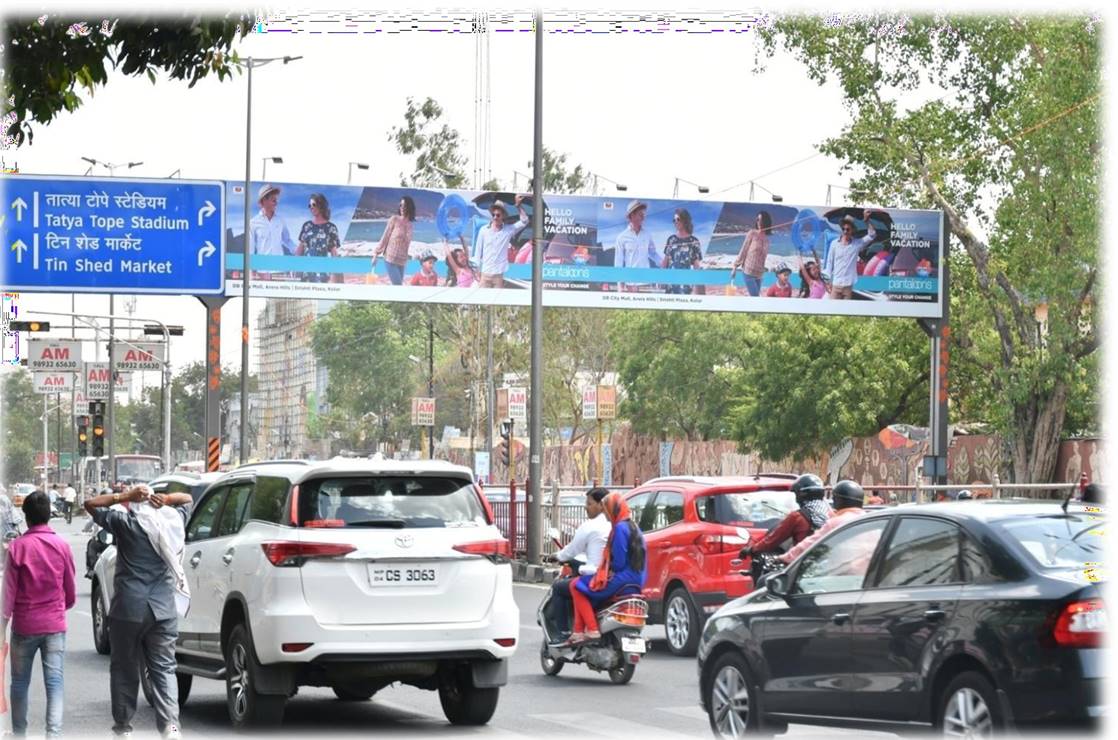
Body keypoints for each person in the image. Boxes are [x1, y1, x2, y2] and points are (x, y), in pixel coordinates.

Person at [84, 484, 193, 739]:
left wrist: (124, 496)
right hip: (163, 611)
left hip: (128, 609)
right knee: (164, 669)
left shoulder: (126, 524)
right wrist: (166, 499)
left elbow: (90, 504)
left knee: (124, 667)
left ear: (135, 503)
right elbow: (187, 498)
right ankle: (171, 727)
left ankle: (122, 728)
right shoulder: (173, 522)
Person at [1, 490, 77, 738]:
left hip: (24, 627)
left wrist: (3, 628)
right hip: (54, 625)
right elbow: (71, 591)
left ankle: (20, 733)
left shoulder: (17, 548)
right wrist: (56, 610)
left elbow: (7, 597)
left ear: (26, 517)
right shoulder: (62, 546)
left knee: (20, 683)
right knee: (54, 683)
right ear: (49, 516)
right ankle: (53, 735)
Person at [567, 493, 647, 644]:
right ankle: (578, 630)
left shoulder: (619, 529)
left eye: (606, 510)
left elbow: (618, 564)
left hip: (622, 580)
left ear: (614, 510)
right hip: (638, 581)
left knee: (576, 585)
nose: (605, 514)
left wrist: (606, 569)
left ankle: (591, 629)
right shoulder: (635, 528)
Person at [542, 488, 611, 643]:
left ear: (602, 505)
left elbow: (572, 550)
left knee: (562, 588)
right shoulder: (618, 526)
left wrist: (557, 556)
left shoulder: (590, 526)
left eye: (589, 503)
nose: (586, 507)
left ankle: (564, 632)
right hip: (616, 576)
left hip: (597, 576)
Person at [741, 474, 831, 582]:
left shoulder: (798, 517)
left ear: (802, 495)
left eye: (796, 494)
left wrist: (752, 549)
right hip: (829, 568)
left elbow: (772, 540)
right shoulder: (832, 516)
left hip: (803, 569)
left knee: (764, 581)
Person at [779, 479, 866, 565]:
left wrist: (783, 558)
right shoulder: (870, 520)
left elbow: (808, 546)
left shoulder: (835, 523)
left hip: (841, 574)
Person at [473, 196, 528, 288]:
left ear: (503, 216)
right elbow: (478, 251)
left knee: (496, 301)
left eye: (498, 215)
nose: (495, 217)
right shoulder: (484, 230)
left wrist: (518, 206)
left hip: (498, 275)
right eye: (493, 215)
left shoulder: (508, 230)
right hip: (485, 273)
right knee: (482, 300)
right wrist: (476, 270)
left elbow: (524, 221)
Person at [823, 210, 877, 299]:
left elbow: (872, 235)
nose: (845, 231)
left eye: (847, 229)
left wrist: (866, 221)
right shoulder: (834, 244)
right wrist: (827, 282)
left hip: (848, 286)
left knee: (846, 311)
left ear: (852, 230)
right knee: (831, 310)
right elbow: (829, 263)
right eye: (843, 229)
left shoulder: (857, 244)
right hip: (836, 284)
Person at [249, 184, 296, 280]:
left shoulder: (281, 220)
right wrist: (251, 272)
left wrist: (298, 251)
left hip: (280, 270)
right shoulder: (253, 222)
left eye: (276, 200)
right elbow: (250, 248)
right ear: (263, 201)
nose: (276, 203)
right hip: (262, 272)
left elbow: (287, 240)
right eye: (273, 200)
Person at [297, 192, 341, 283]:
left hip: (323, 274)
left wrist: (334, 275)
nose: (311, 207)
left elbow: (334, 254)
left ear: (321, 205)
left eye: (314, 204)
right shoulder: (307, 226)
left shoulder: (331, 228)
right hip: (307, 273)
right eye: (309, 205)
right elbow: (299, 250)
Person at [615, 200, 660, 291]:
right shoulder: (621, 237)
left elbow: (653, 253)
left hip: (646, 284)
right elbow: (618, 263)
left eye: (644, 214)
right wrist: (620, 286)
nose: (643, 218)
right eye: (640, 215)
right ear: (632, 215)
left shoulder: (647, 235)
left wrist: (663, 262)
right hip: (630, 285)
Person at [375, 195, 416, 286]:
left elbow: (406, 245)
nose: (402, 208)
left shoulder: (410, 225)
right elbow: (385, 236)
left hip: (402, 261)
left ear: (409, 207)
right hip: (390, 259)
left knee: (398, 288)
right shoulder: (394, 219)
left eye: (404, 205)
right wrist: (376, 254)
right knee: (398, 286)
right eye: (400, 205)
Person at [661, 208, 702, 295]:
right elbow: (665, 261)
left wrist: (696, 287)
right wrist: (661, 279)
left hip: (686, 285)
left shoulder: (694, 241)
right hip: (671, 284)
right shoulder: (671, 239)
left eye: (678, 219)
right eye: (674, 220)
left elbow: (696, 266)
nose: (675, 222)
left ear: (685, 220)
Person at [731, 211, 772, 297]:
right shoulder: (752, 233)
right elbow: (744, 249)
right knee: (756, 298)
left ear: (766, 222)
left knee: (754, 300)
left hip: (759, 274)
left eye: (762, 220)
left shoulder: (767, 240)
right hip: (748, 272)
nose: (759, 222)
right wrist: (735, 266)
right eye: (758, 220)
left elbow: (763, 258)